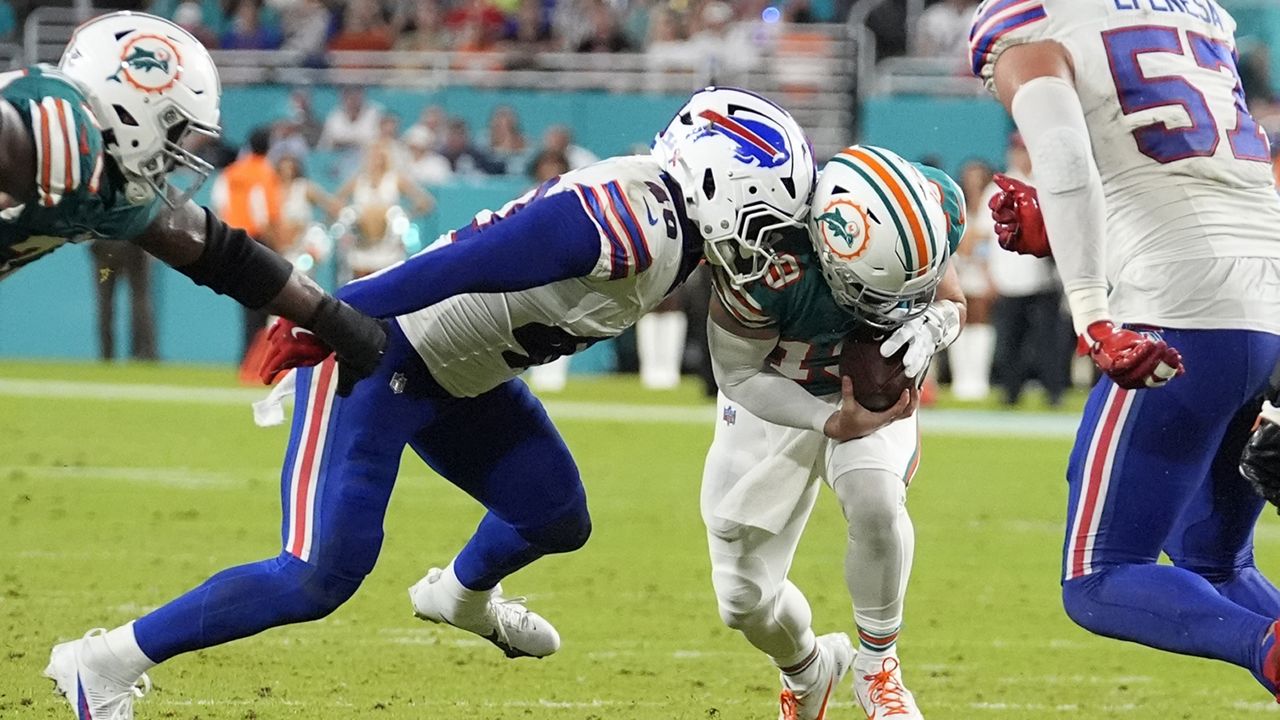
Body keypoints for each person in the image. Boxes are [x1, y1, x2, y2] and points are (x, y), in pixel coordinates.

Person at [49, 87, 815, 717]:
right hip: (377, 355)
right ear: (719, 182)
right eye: (767, 214)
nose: (769, 238)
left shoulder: (668, 228)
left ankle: (459, 597)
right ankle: (104, 663)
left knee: (554, 514)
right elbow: (471, 260)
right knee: (317, 576)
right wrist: (329, 314)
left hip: (462, 377)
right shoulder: (632, 221)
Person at [973, 0, 1280, 698]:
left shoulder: (1029, 18)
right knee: (1212, 561)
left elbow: (1065, 159)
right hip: (1269, 305)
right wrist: (1071, 227)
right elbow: (1193, 175)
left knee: (1098, 575)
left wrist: (1092, 315)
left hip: (1181, 308)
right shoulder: (1202, 13)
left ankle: (1268, 646)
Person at [704, 144, 965, 720]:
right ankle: (808, 669)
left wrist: (936, 327)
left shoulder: (928, 206)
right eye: (879, 293)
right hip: (771, 396)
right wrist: (826, 420)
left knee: (874, 497)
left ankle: (879, 667)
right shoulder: (766, 258)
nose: (891, 307)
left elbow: (950, 299)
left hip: (871, 397)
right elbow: (739, 372)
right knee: (743, 600)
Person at [0, 12, 382, 382]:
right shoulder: (42, 129)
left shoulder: (115, 188)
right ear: (132, 110)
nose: (179, 149)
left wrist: (337, 322)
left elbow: (228, 257)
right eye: (177, 129)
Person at [211, 127, 285, 358]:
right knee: (264, 302)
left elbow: (218, 204)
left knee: (245, 303)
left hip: (231, 239)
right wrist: (278, 247)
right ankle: (258, 358)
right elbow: (264, 214)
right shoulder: (265, 173)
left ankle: (247, 357)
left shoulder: (231, 172)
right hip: (258, 241)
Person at [89, 240, 157, 361]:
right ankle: (144, 352)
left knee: (104, 302)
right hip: (133, 244)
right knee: (140, 298)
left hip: (104, 245)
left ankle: (106, 354)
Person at [317, 87, 382, 151]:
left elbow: (380, 142)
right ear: (343, 97)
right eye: (348, 93)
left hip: (369, 157)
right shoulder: (334, 115)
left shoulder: (376, 113)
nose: (352, 98)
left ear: (362, 94)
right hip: (339, 158)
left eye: (356, 93)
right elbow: (327, 143)